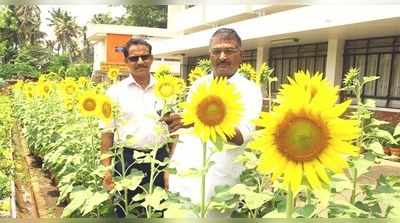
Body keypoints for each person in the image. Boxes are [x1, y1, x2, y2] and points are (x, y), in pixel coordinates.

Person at [162, 28, 263, 211]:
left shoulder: (248, 90)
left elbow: (241, 136)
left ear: (241, 55)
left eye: (229, 50)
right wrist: (170, 167)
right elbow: (183, 133)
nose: (222, 56)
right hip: (184, 180)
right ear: (210, 55)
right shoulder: (200, 84)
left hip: (218, 187)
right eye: (217, 51)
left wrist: (199, 119)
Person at [100, 38, 169, 218]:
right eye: (134, 58)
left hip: (159, 159)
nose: (140, 62)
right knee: (126, 209)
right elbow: (107, 133)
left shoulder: (166, 91)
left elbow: (174, 132)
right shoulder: (114, 93)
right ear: (126, 62)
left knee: (158, 211)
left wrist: (170, 166)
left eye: (144, 57)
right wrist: (106, 169)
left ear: (151, 59)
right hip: (127, 160)